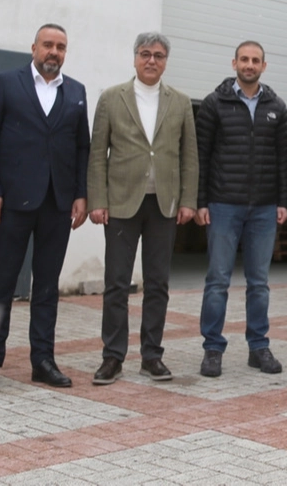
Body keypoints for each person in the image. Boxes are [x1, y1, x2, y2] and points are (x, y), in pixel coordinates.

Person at [0, 24, 90, 391]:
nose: (54, 51)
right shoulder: (7, 83)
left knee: (47, 287)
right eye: (48, 45)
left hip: (57, 204)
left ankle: (43, 360)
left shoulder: (76, 91)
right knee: (1, 285)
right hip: (11, 203)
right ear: (34, 47)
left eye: (61, 47)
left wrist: (81, 194)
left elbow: (82, 147)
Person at [87, 32, 197, 384]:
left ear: (166, 61)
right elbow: (97, 154)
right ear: (135, 58)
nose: (152, 60)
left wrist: (188, 200)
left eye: (159, 55)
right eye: (146, 54)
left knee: (158, 283)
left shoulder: (180, 102)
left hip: (163, 205)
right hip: (121, 203)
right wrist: (98, 201)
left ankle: (152, 356)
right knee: (116, 283)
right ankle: (112, 356)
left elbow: (189, 156)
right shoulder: (112, 98)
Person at [194, 40, 287, 378]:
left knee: (259, 283)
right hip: (223, 205)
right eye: (244, 59)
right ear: (234, 63)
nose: (249, 65)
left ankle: (258, 346)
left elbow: (283, 159)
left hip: (264, 207)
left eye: (255, 60)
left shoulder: (276, 106)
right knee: (217, 280)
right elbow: (201, 155)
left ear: (264, 66)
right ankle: (212, 349)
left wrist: (283, 201)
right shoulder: (214, 103)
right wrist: (200, 202)